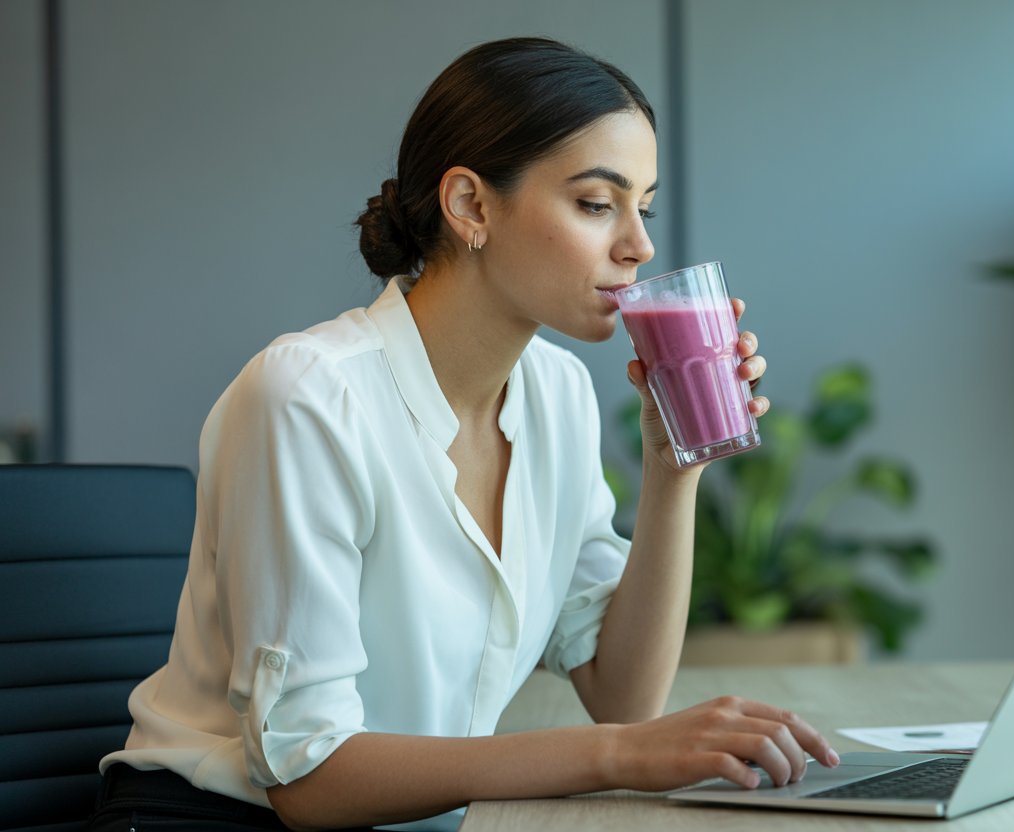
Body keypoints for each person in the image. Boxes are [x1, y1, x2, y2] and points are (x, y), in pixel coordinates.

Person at [89, 37, 838, 832]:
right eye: (596, 203)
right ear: (472, 206)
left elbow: (622, 693)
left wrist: (673, 465)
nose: (640, 246)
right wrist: (617, 755)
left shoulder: (558, 394)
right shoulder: (309, 396)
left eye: (642, 207)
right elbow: (308, 778)